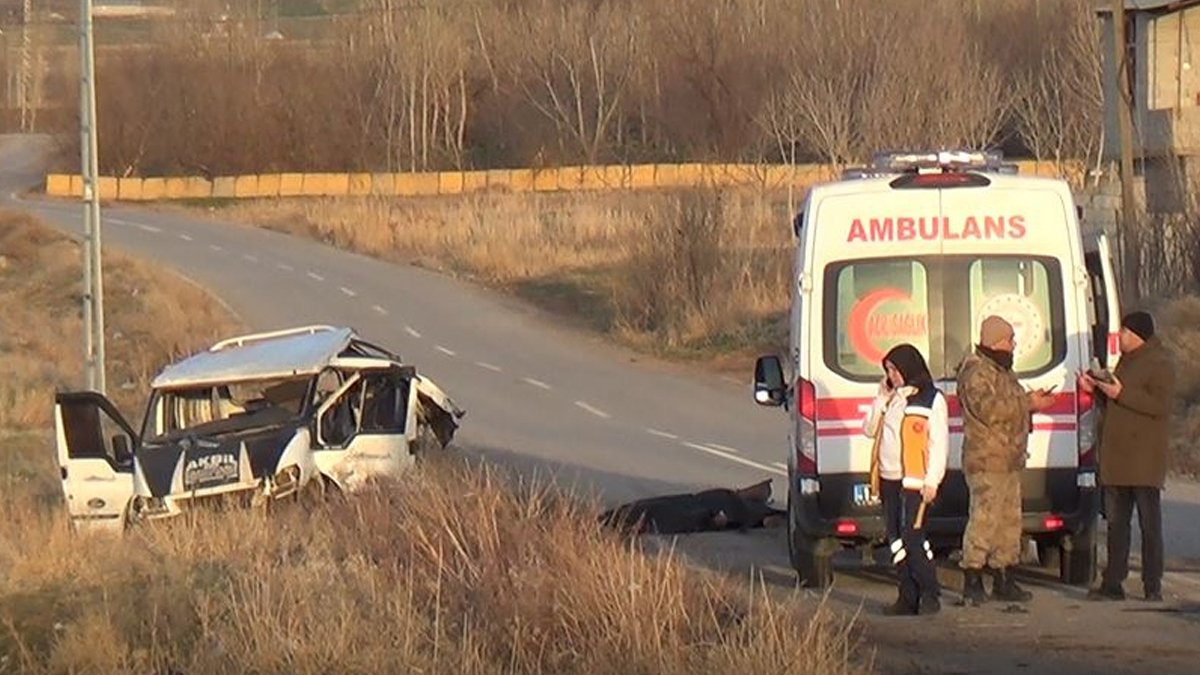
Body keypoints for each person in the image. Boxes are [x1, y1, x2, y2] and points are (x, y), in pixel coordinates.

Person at [956, 315, 1057, 606]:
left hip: (1009, 460)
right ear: (994, 340)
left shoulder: (1002, 371)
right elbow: (990, 410)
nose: (1013, 345)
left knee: (1009, 523)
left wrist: (1031, 402)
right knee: (984, 521)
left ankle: (1004, 576)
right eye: (1009, 339)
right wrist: (1028, 404)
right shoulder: (976, 372)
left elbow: (1011, 404)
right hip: (986, 461)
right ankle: (972, 578)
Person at [1082, 311, 1175, 602]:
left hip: (1144, 460)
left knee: (1149, 526)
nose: (1119, 336)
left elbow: (1159, 405)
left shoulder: (1160, 363)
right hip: (1117, 459)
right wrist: (1097, 391)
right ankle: (1113, 582)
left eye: (1124, 331)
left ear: (1137, 335)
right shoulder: (1126, 361)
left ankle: (1152, 585)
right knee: (1116, 526)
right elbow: (1116, 401)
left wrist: (1120, 392)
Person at [864, 344, 949, 616]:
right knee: (895, 540)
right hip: (888, 479)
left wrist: (932, 480)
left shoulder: (931, 400)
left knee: (913, 538)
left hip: (915, 482)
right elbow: (869, 429)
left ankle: (929, 592)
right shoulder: (891, 399)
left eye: (895, 369)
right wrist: (880, 398)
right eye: (888, 370)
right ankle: (907, 595)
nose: (892, 375)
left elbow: (939, 443)